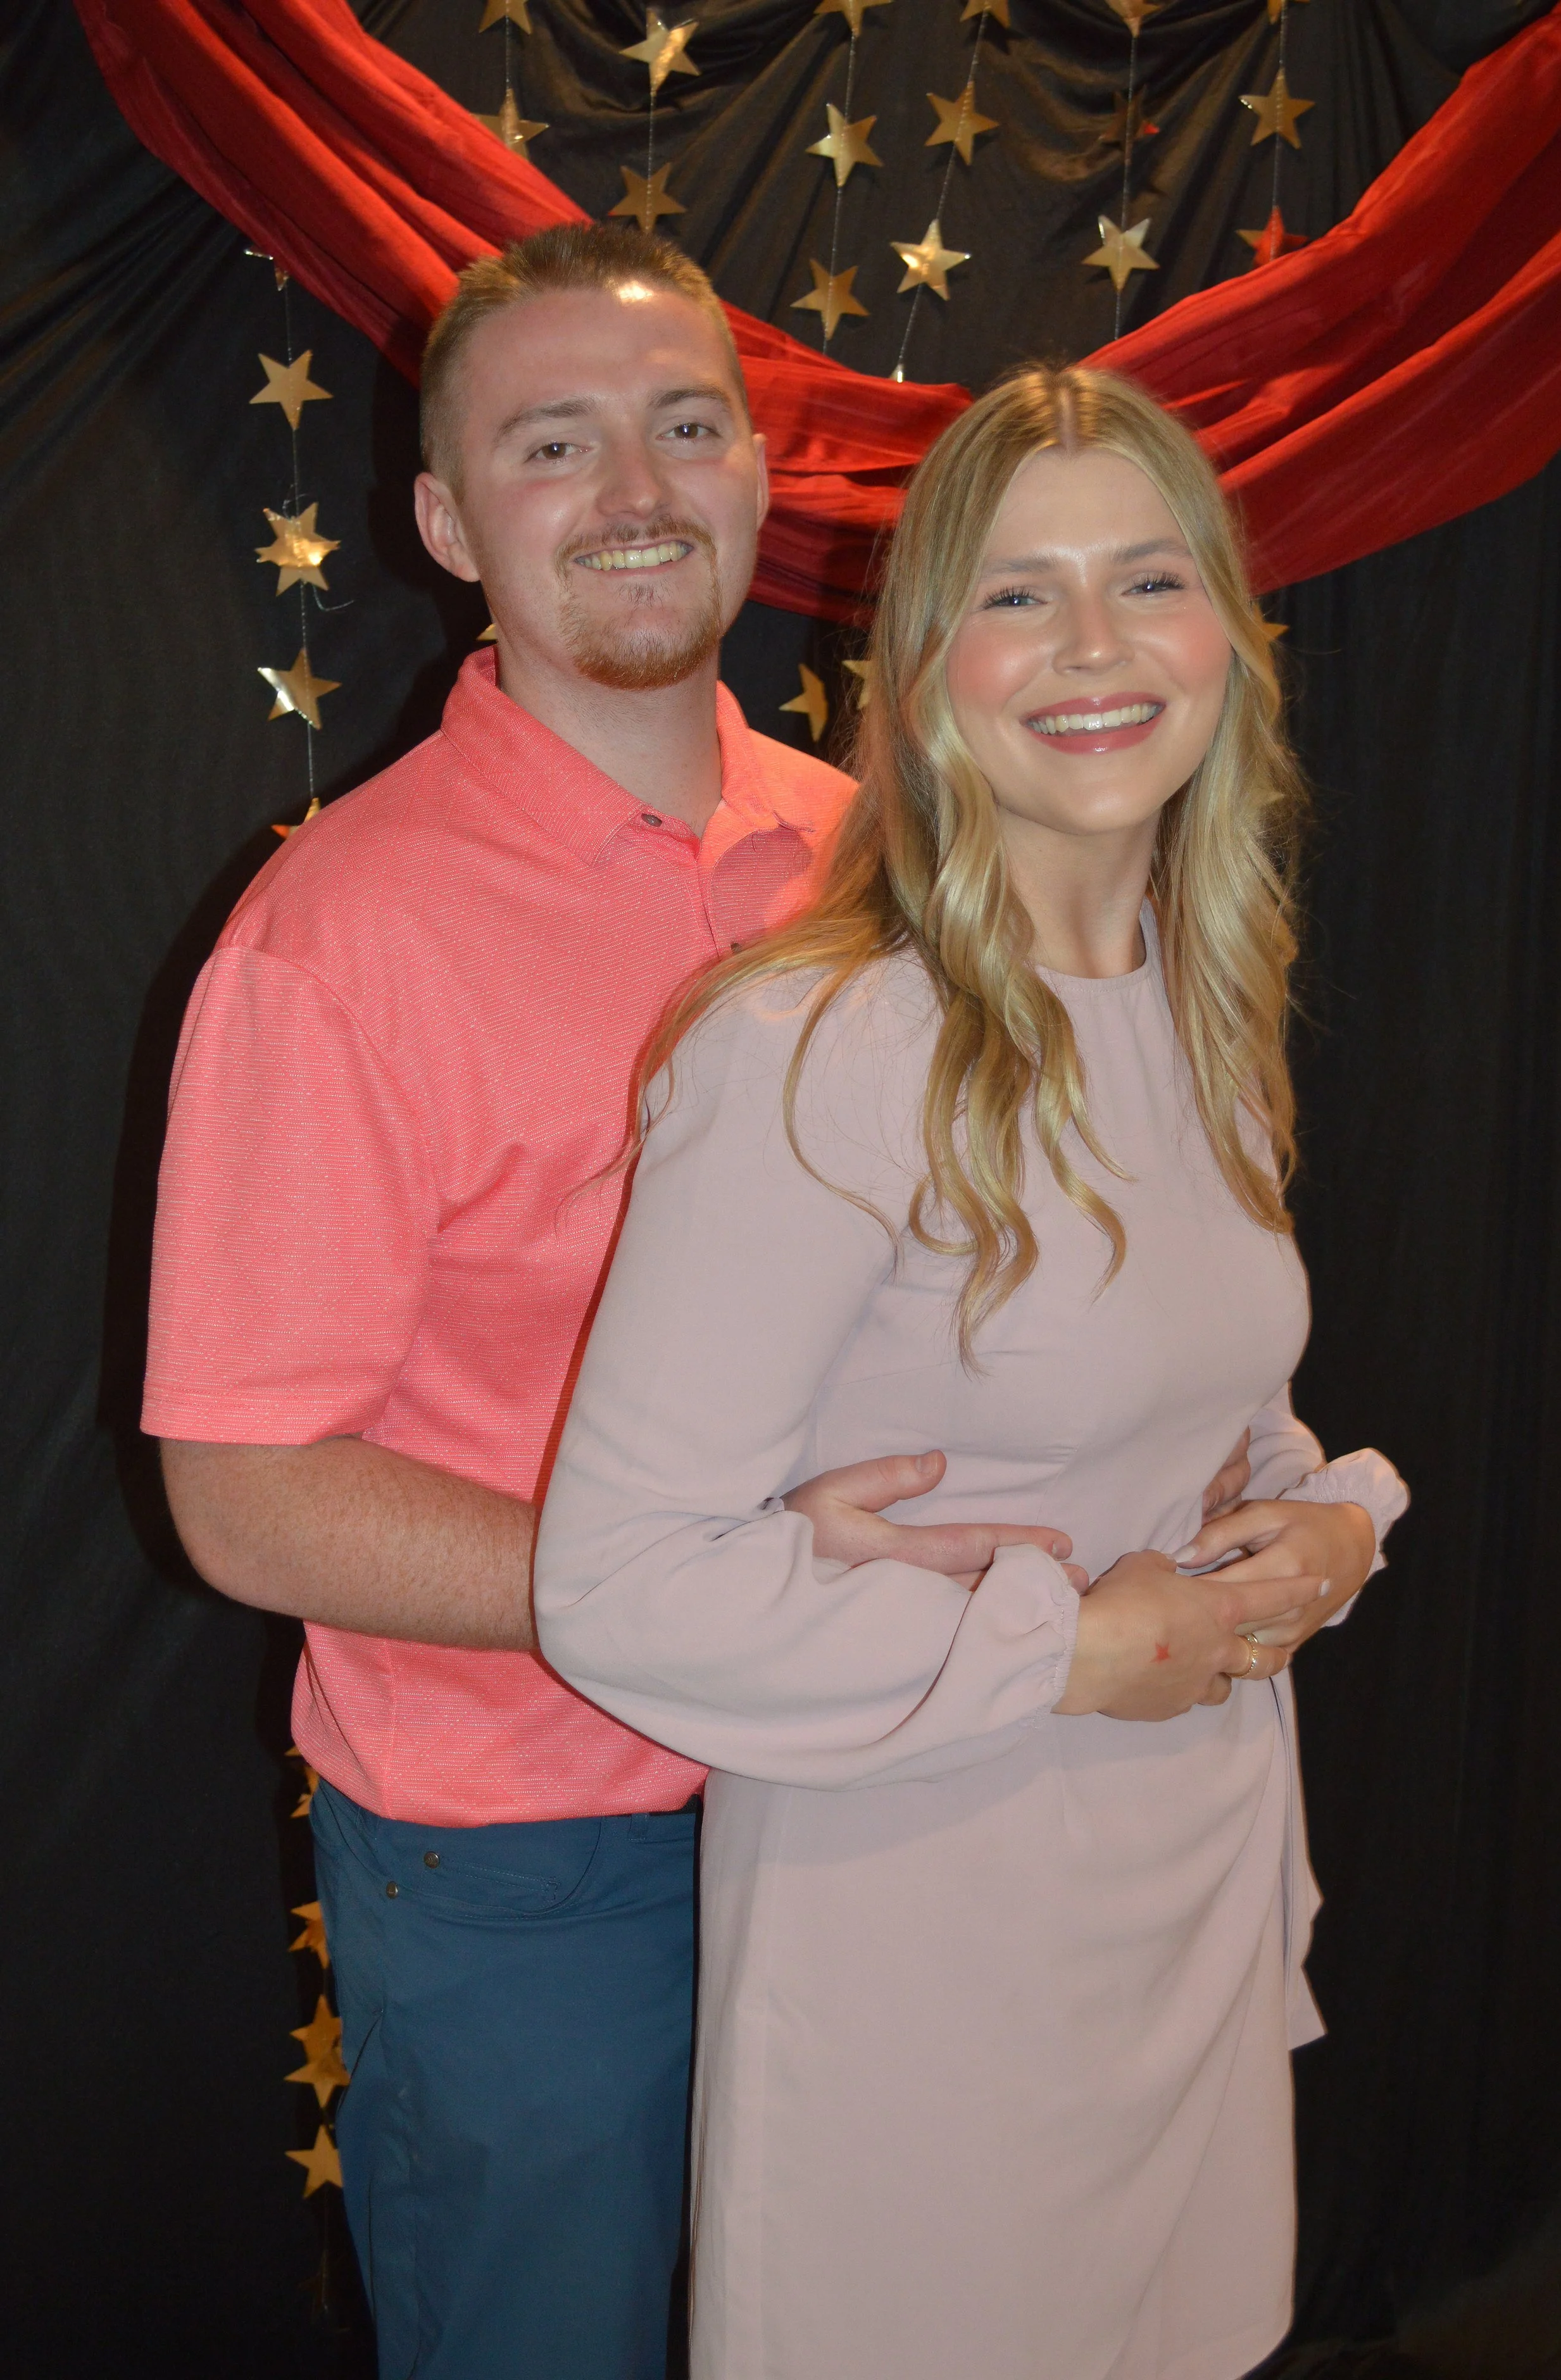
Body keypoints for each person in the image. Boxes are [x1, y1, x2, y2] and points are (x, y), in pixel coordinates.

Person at [145, 228, 1136, 2379]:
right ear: (441, 520)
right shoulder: (333, 947)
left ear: (762, 475)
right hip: (532, 1864)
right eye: (550, 441)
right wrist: (708, 1588)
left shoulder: (888, 863)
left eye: (685, 426)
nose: (632, 487)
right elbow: (244, 1497)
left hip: (891, 1791)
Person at [533, 364, 1410, 2380]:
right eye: (1016, 596)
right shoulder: (823, 1045)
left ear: (1227, 640)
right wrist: (1066, 1654)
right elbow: (621, 1583)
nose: (1092, 649)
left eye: (1146, 579)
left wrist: (1322, 1524)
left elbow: (1187, 1414)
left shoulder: (1199, 1013)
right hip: (917, 1946)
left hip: (1180, 1904)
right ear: (923, 672)